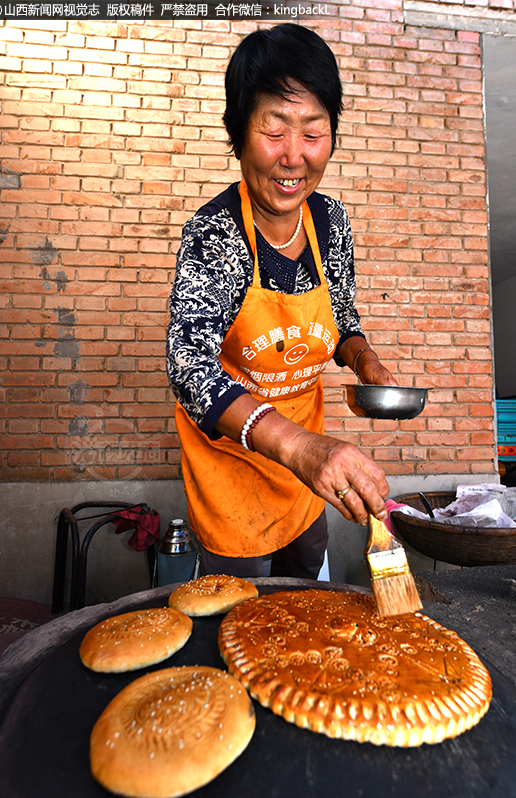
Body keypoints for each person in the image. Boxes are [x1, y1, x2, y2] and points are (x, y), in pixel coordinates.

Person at [167, 23, 399, 580]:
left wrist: (365, 361)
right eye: (274, 129)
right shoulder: (215, 234)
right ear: (238, 132)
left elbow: (341, 315)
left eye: (313, 131)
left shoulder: (331, 223)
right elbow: (190, 368)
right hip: (233, 477)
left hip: (304, 481)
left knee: (304, 611)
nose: (294, 156)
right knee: (237, 618)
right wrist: (301, 449)